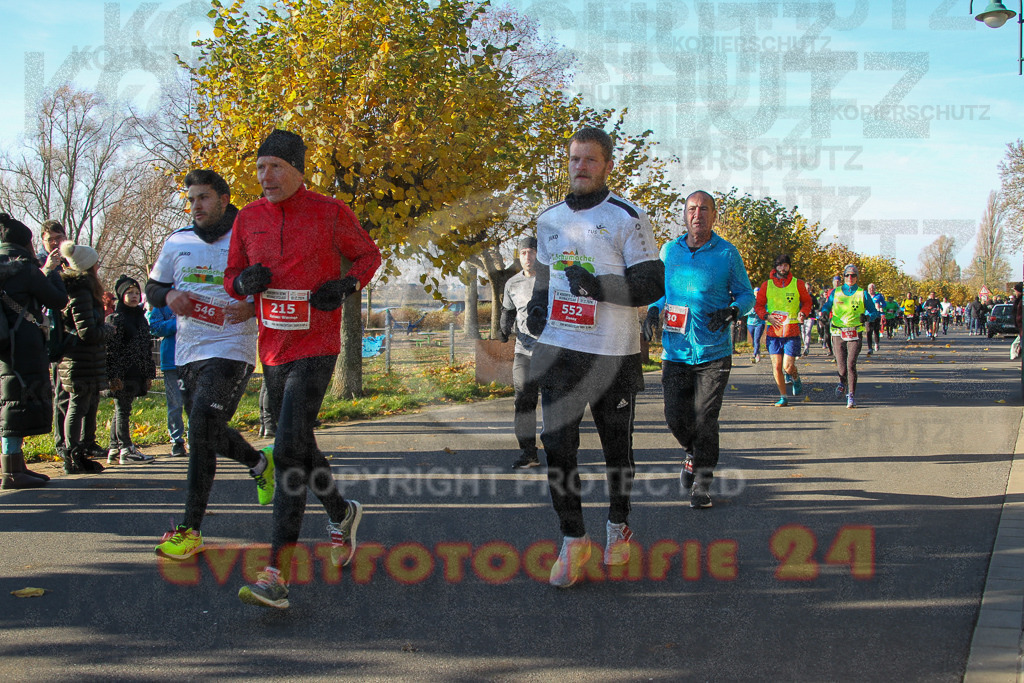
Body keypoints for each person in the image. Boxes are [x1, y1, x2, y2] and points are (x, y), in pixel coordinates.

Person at [225, 130, 382, 608]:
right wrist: (242, 283)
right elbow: (232, 277)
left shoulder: (331, 212)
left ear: (297, 170)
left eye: (274, 166)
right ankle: (340, 510)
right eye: (259, 168)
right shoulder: (248, 218)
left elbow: (368, 255)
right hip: (272, 350)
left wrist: (345, 286)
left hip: (317, 343)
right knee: (301, 441)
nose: (264, 176)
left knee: (289, 449)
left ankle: (276, 572)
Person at [526, 127, 664, 588]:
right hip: (562, 351)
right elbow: (545, 273)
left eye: (589, 160)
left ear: (606, 166)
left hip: (613, 353)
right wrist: (537, 304)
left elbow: (651, 283)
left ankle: (617, 523)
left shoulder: (628, 216)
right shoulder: (548, 218)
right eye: (573, 160)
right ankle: (572, 539)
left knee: (615, 451)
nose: (580, 167)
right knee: (557, 446)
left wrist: (599, 287)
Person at [147, 169, 274, 560]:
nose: (195, 206)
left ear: (222, 198)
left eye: (202, 197)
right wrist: (168, 298)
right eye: (190, 199)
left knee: (201, 427)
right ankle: (258, 461)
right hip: (188, 353)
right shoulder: (177, 240)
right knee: (207, 430)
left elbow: (275, 281)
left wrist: (251, 304)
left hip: (231, 348)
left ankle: (190, 530)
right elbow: (153, 287)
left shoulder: (250, 235)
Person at [647, 189, 753, 514]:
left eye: (704, 209)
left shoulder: (727, 254)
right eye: (692, 209)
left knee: (706, 418)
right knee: (675, 417)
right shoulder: (670, 251)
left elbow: (747, 294)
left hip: (714, 352)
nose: (698, 214)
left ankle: (702, 485)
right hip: (675, 351)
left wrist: (732, 311)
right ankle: (693, 454)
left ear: (714, 215)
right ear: (684, 215)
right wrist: (653, 309)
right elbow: (659, 291)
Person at [0, 214, 68, 489]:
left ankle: (17, 466)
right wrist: (50, 271)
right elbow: (58, 299)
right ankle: (12, 471)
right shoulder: (25, 269)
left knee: (11, 400)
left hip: (5, 345)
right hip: (23, 344)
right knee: (15, 405)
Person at [57, 242, 109, 474]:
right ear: (90, 266)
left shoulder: (82, 290)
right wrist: (107, 330)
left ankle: (80, 450)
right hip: (79, 360)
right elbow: (86, 331)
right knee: (77, 405)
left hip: (85, 360)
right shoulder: (80, 292)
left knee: (84, 404)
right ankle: (72, 454)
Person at [499, 235, 541, 469]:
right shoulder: (512, 283)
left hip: (552, 352)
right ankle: (528, 453)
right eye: (524, 252)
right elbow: (508, 310)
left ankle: (560, 450)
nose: (528, 257)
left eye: (532, 252)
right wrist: (504, 327)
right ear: (519, 255)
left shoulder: (550, 279)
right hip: (524, 351)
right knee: (523, 401)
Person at [105, 275, 157, 464]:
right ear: (121, 296)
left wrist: (148, 374)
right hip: (122, 372)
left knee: (122, 409)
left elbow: (146, 348)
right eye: (130, 293)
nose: (135, 296)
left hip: (137, 372)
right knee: (122, 409)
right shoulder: (116, 319)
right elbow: (111, 350)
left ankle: (114, 447)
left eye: (137, 293)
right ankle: (126, 449)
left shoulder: (141, 319)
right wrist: (113, 375)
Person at [819, 264, 880, 408]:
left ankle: (851, 395)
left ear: (857, 277)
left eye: (853, 275)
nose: (850, 278)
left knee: (851, 363)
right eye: (847, 275)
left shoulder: (862, 293)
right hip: (838, 331)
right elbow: (828, 305)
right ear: (844, 277)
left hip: (854, 331)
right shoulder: (836, 292)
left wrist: (866, 317)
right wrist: (825, 312)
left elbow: (874, 312)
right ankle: (842, 381)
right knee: (841, 366)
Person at [754, 254, 811, 407]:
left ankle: (796, 377)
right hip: (774, 332)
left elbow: (807, 302)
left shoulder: (797, 283)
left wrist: (803, 313)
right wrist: (766, 316)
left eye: (786, 265)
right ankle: (783, 396)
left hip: (792, 332)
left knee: (788, 366)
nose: (783, 268)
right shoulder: (767, 285)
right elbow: (758, 305)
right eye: (780, 265)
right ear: (776, 267)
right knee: (777, 366)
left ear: (789, 267)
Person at [147, 301, 187, 457]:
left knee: (195, 401)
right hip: (172, 360)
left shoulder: (195, 294)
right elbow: (155, 327)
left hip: (196, 357)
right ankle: (177, 441)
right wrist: (178, 322)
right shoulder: (163, 301)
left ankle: (196, 438)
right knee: (175, 402)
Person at [745, 287, 765, 363]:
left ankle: (755, 354)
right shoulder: (750, 301)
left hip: (760, 323)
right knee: (754, 340)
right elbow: (745, 311)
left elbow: (766, 310)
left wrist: (762, 313)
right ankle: (757, 352)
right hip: (750, 323)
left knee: (757, 339)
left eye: (758, 294)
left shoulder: (763, 301)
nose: (757, 296)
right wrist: (752, 311)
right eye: (755, 294)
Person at [866, 283, 884, 355]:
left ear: (875, 289)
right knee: (868, 332)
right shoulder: (866, 296)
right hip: (868, 315)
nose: (871, 290)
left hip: (876, 315)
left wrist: (880, 305)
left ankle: (876, 343)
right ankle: (870, 348)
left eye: (872, 288)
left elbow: (884, 304)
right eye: (870, 288)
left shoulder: (879, 296)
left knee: (876, 331)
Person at [801, 285, 819, 357]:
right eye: (806, 288)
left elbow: (817, 305)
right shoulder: (801, 296)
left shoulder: (813, 297)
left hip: (811, 317)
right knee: (803, 332)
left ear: (810, 289)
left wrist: (813, 308)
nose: (807, 289)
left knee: (808, 332)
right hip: (803, 317)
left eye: (809, 288)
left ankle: (806, 348)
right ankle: (805, 345)